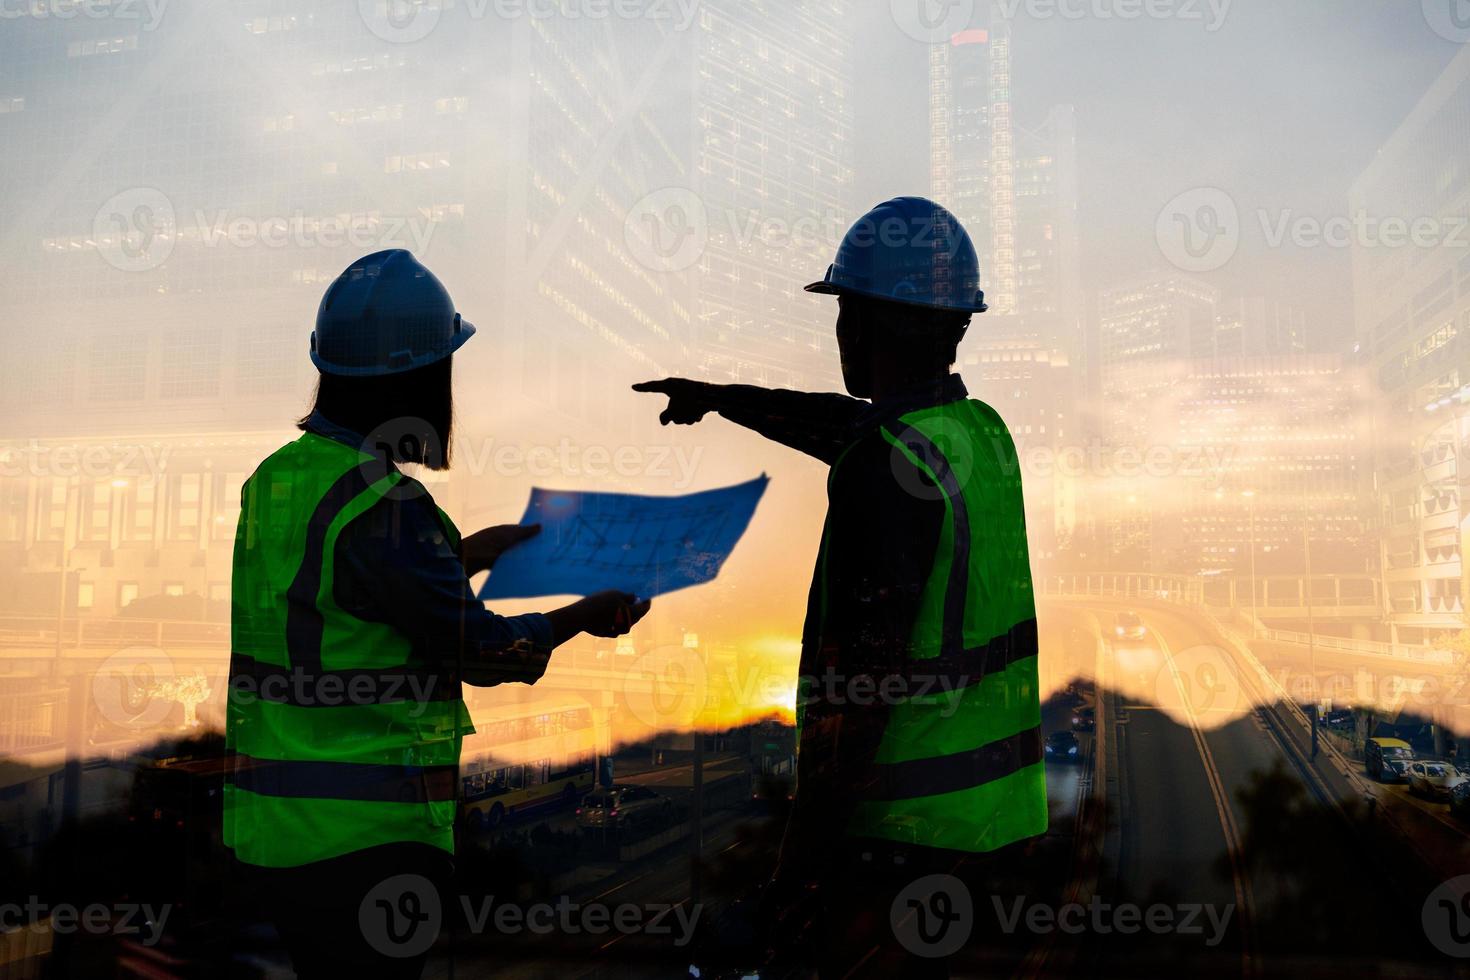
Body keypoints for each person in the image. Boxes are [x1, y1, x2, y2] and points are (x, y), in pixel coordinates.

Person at [635, 197, 1046, 976]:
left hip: (900, 847)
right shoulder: (976, 434)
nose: (840, 332)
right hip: (1000, 831)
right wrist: (722, 398)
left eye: (848, 311)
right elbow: (849, 426)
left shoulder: (885, 473)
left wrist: (788, 886)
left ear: (870, 322)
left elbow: (855, 707)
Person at [225, 249, 650, 979]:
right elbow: (484, 653)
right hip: (369, 845)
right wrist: (581, 615)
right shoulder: (388, 506)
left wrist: (467, 553)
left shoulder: (278, 481)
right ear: (412, 379)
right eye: (440, 371)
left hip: (275, 831)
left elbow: (335, 610)